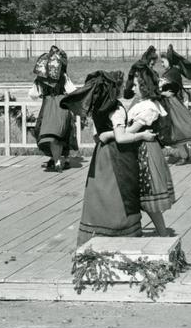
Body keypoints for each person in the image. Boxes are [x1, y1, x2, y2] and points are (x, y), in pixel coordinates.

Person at [61, 71, 156, 246]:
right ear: (115, 88)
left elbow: (98, 136)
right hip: (116, 156)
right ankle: (120, 232)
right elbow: (121, 138)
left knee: (100, 193)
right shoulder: (116, 108)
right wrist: (142, 135)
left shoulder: (98, 107)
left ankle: (97, 233)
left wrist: (105, 134)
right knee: (119, 192)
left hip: (101, 155)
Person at [124, 61, 175, 236]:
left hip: (145, 151)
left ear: (145, 87)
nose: (132, 89)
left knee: (148, 196)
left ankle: (162, 233)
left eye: (136, 85)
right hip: (139, 148)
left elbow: (129, 131)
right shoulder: (142, 103)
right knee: (138, 195)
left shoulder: (149, 107)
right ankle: (155, 231)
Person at [30, 46, 78, 172]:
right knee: (65, 132)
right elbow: (72, 91)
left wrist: (43, 91)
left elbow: (33, 95)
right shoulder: (63, 77)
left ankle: (56, 159)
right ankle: (63, 159)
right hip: (62, 105)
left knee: (48, 133)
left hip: (47, 106)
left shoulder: (40, 78)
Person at [158, 45, 191, 165]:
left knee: (177, 130)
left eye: (163, 61)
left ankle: (184, 156)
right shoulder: (172, 72)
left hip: (173, 105)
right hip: (173, 104)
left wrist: (159, 92)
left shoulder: (171, 74)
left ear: (169, 61)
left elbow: (162, 88)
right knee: (177, 130)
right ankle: (185, 155)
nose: (161, 64)